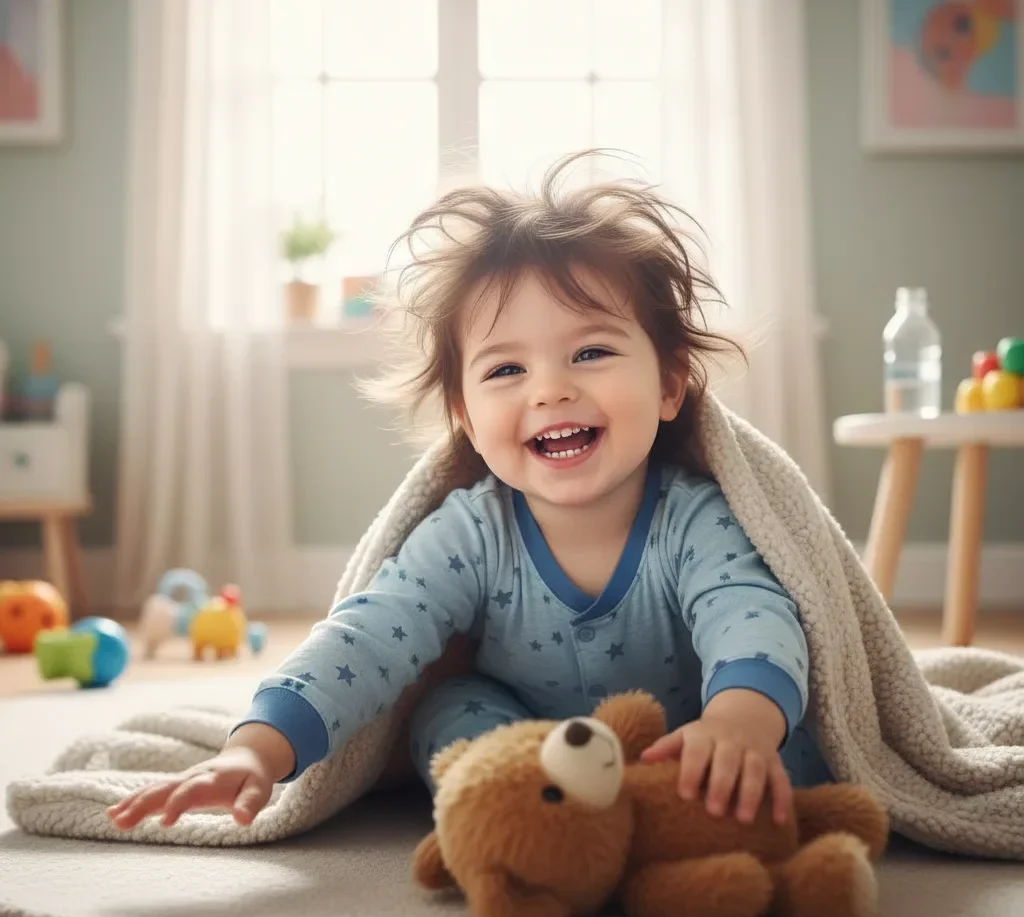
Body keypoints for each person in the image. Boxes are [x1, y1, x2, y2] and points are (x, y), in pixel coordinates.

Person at [107, 151, 831, 835]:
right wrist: (256, 750)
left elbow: (749, 615)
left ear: (670, 384)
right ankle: (525, 807)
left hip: (680, 742)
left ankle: (680, 807)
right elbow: (367, 636)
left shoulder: (694, 518)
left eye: (591, 352)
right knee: (447, 709)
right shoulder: (472, 533)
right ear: (466, 418)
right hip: (525, 739)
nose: (550, 389)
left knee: (788, 748)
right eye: (506, 370)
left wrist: (738, 722)